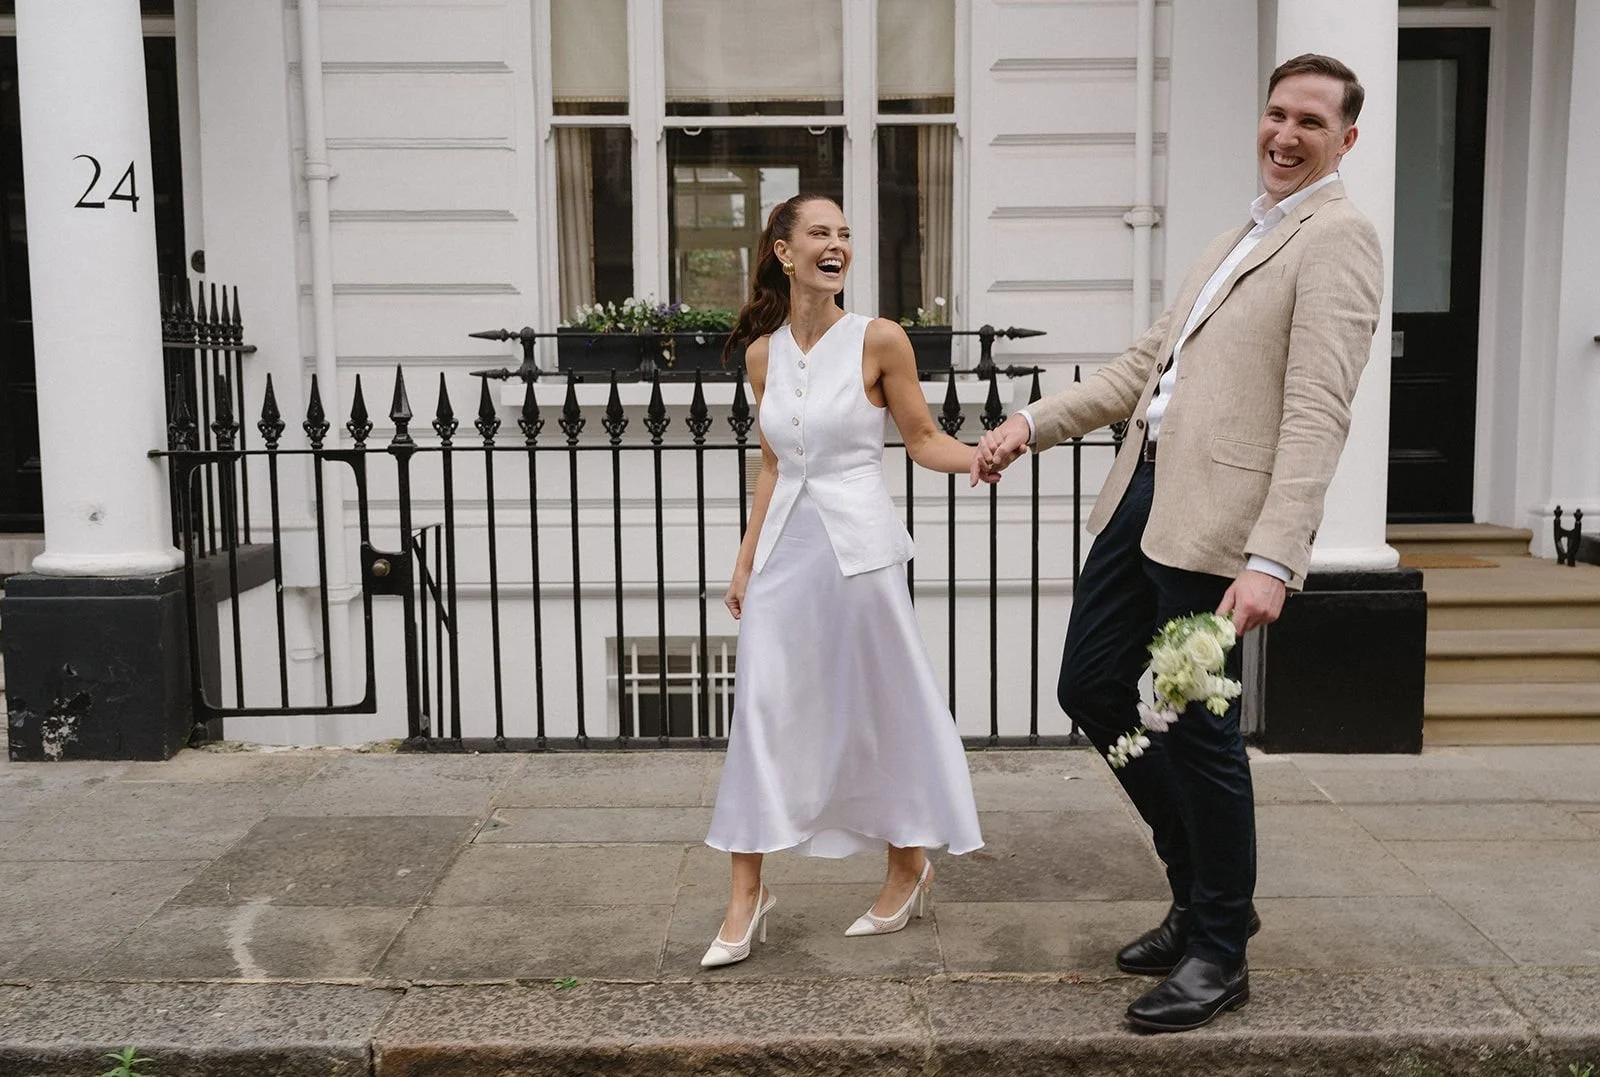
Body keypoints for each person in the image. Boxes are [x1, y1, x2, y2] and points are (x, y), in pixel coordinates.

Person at [973, 54, 1384, 1032]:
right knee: (1090, 685)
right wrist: (1028, 427)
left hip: (1215, 533)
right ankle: (1199, 889)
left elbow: (1317, 411)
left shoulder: (1339, 239)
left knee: (1198, 734)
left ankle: (1217, 947)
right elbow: (1134, 374)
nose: (1285, 134)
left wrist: (1274, 557)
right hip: (1139, 502)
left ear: (1346, 141)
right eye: (1276, 113)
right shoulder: (1240, 234)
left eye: (1310, 123)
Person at [700, 193, 988, 969]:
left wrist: (982, 456)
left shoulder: (880, 340)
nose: (837, 245)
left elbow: (923, 438)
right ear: (784, 252)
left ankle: (907, 862)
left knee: (880, 706)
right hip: (785, 553)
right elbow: (771, 459)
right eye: (819, 234)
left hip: (860, 552)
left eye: (845, 235)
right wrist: (745, 556)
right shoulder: (762, 354)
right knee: (761, 706)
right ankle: (745, 892)